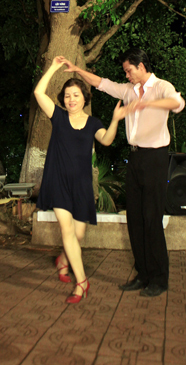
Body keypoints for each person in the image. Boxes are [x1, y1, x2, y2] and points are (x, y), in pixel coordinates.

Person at [59, 47, 185, 298]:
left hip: (156, 158)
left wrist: (146, 103)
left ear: (141, 66)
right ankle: (143, 274)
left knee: (151, 219)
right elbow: (101, 84)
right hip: (135, 158)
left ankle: (159, 278)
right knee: (135, 219)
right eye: (125, 71)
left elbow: (177, 103)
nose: (126, 75)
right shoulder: (128, 91)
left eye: (129, 70)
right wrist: (77, 71)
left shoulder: (161, 86)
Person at [35, 55, 137, 304]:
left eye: (76, 95)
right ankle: (82, 282)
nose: (71, 99)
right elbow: (39, 92)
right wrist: (53, 68)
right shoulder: (57, 117)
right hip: (58, 181)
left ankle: (63, 259)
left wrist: (115, 120)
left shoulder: (93, 123)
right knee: (67, 231)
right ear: (63, 99)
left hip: (81, 185)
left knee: (77, 235)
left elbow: (107, 140)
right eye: (67, 95)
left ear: (84, 98)